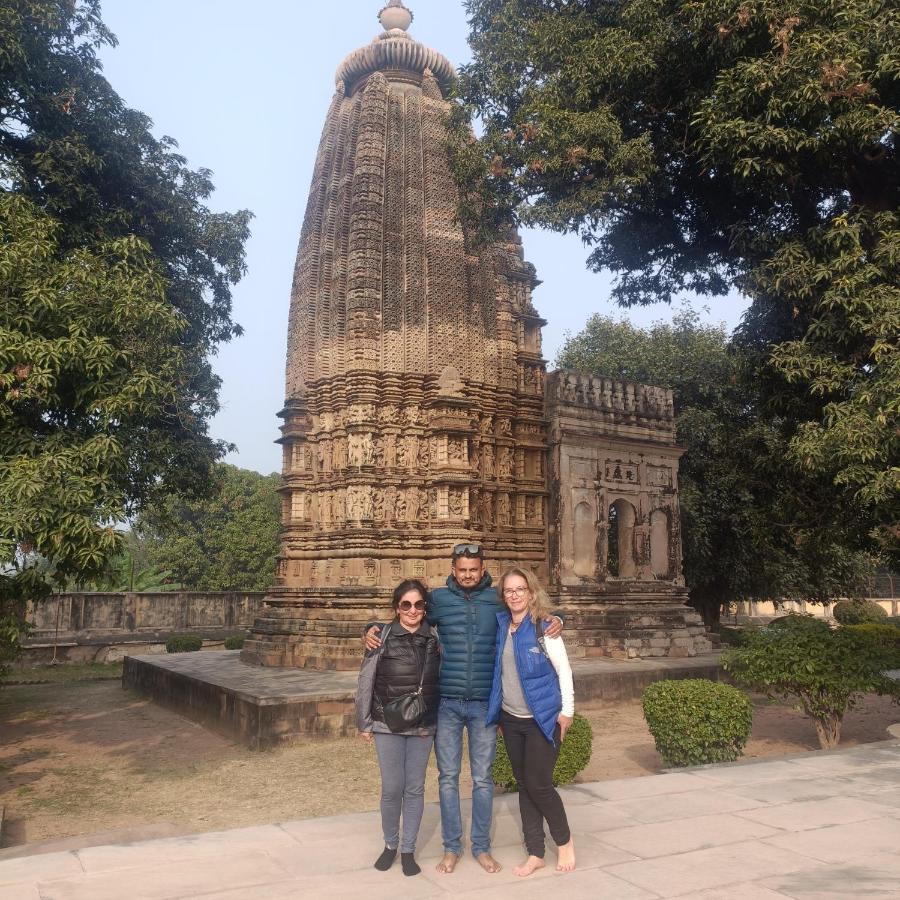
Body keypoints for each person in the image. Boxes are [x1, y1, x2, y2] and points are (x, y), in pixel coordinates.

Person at [365, 544, 563, 875]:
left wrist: (559, 618)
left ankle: (482, 847)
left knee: (483, 779)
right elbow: (407, 615)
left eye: (473, 569)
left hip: (484, 703)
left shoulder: (496, 600)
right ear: (454, 570)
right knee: (448, 778)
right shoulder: (440, 601)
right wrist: (370, 628)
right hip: (447, 702)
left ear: (482, 568)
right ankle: (452, 847)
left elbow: (528, 607)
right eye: (462, 569)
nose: (468, 574)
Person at [486, 566, 576, 876]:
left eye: (519, 589)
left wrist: (567, 713)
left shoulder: (544, 627)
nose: (514, 595)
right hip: (511, 719)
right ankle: (535, 851)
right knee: (524, 785)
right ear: (504, 596)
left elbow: (563, 670)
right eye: (509, 590)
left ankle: (564, 842)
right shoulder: (501, 625)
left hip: (541, 718)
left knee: (539, 784)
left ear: (531, 592)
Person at [356, 579, 440, 877]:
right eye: (406, 604)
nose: (413, 610)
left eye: (418, 604)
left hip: (422, 725)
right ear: (397, 608)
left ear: (425, 607)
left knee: (415, 789)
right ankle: (390, 844)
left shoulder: (435, 635)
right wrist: (364, 722)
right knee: (392, 788)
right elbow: (366, 680)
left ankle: (408, 849)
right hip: (386, 722)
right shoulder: (381, 635)